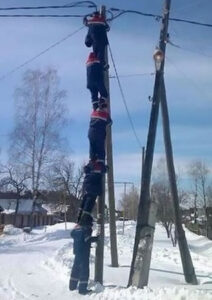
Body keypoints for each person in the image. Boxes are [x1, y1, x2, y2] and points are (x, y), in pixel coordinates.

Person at [69, 222, 98, 295]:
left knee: (76, 269)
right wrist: (97, 238)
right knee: (84, 271)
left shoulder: (76, 229)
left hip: (77, 252)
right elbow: (87, 239)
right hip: (84, 253)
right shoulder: (86, 229)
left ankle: (72, 286)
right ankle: (82, 289)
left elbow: (73, 235)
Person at [88, 101, 112, 172]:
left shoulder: (93, 113)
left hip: (90, 133)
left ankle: (92, 161)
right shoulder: (105, 114)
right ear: (104, 107)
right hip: (99, 135)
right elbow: (110, 123)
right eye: (106, 108)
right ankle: (100, 163)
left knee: (92, 147)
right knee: (101, 149)